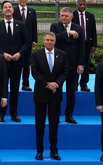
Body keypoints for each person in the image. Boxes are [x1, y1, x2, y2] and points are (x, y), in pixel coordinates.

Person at [31, 32, 68, 161]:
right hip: (41, 93)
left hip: (55, 94)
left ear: (55, 41)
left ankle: (54, 151)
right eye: (47, 40)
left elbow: (65, 72)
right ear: (44, 40)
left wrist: (56, 84)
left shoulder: (62, 55)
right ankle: (39, 151)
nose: (49, 42)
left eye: (51, 40)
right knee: (39, 125)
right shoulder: (36, 55)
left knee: (54, 124)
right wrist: (46, 85)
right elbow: (34, 72)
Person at [0, 1, 30, 123]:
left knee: (14, 89)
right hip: (2, 63)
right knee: (2, 89)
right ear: (2, 10)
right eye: (5, 7)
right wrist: (3, 54)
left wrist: (20, 53)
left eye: (9, 7)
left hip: (17, 63)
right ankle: (1, 113)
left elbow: (27, 42)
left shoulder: (20, 25)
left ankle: (14, 113)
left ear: (13, 10)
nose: (7, 9)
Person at [50, 7, 84, 124]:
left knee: (71, 92)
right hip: (58, 65)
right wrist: (67, 33)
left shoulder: (78, 28)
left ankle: (69, 115)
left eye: (66, 16)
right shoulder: (55, 26)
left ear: (72, 17)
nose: (63, 18)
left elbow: (81, 48)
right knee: (56, 92)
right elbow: (54, 38)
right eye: (62, 15)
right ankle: (56, 115)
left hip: (72, 65)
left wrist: (80, 64)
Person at [12, 0, 37, 92]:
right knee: (15, 63)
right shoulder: (13, 10)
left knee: (27, 63)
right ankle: (13, 83)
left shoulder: (32, 11)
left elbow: (34, 26)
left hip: (28, 42)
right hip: (16, 41)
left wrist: (34, 39)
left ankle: (25, 83)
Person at [72, 0, 97, 92]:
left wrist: (94, 44)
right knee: (75, 64)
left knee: (85, 64)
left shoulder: (90, 16)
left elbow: (93, 31)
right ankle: (74, 84)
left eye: (84, 4)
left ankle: (84, 83)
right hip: (75, 44)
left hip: (87, 44)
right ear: (76, 5)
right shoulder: (72, 16)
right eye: (80, 4)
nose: (82, 6)